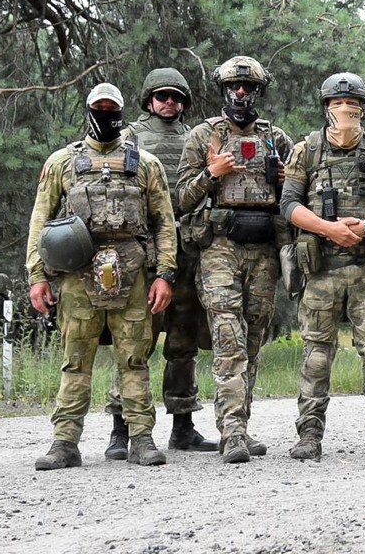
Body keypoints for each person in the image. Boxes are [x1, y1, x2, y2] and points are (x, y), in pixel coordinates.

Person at [26, 83, 177, 470]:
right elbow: (40, 221)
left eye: (112, 109)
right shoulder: (62, 162)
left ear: (122, 112)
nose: (106, 115)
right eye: (100, 108)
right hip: (77, 273)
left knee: (135, 359)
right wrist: (36, 276)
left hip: (131, 273)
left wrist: (165, 274)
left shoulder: (145, 164)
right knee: (76, 360)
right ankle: (64, 443)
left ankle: (141, 438)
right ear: (89, 110)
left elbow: (164, 223)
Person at [279, 72, 365, 461]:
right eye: (338, 105)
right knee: (317, 354)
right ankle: (309, 435)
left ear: (364, 109)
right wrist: (328, 229)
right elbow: (289, 205)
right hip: (322, 268)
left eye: (353, 105)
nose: (345, 111)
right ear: (326, 108)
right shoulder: (305, 150)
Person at [177, 56, 292, 464]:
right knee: (228, 338)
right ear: (223, 89)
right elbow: (180, 198)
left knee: (253, 339)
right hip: (221, 248)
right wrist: (211, 173)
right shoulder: (202, 136)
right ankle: (232, 432)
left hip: (263, 250)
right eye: (233, 87)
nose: (240, 93)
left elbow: (294, 199)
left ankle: (239, 421)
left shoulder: (276, 138)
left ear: (258, 92)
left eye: (247, 88)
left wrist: (283, 180)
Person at [102, 68, 217, 460]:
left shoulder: (195, 140)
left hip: (187, 251)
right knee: (135, 342)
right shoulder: (129, 137)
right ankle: (122, 429)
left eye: (176, 97)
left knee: (183, 343)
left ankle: (183, 426)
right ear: (149, 99)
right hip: (142, 253)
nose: (169, 103)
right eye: (162, 96)